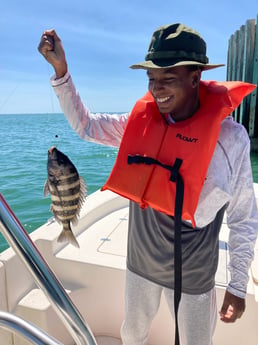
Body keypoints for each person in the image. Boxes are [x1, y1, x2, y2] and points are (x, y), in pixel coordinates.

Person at [38, 23, 258, 345]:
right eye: (152, 79)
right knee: (132, 334)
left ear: (195, 77)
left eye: (168, 78)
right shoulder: (138, 123)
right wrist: (61, 71)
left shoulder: (230, 139)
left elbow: (243, 217)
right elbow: (86, 126)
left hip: (194, 276)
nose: (157, 89)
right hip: (140, 265)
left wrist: (238, 286)